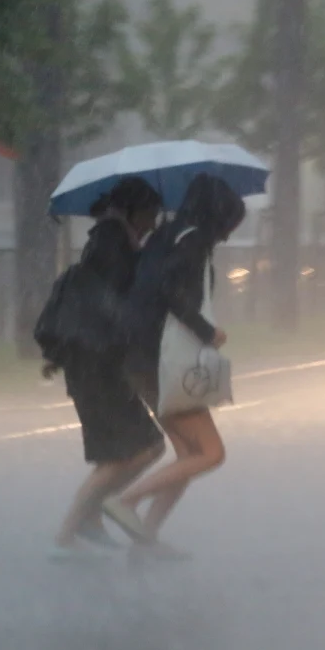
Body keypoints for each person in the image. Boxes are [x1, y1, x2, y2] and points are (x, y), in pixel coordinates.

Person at [102, 174, 245, 556]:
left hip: (137, 355)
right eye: (229, 224)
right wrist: (206, 331)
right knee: (212, 453)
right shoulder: (193, 240)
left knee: (187, 453)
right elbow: (170, 292)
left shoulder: (166, 236)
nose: (227, 235)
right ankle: (125, 502)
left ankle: (145, 539)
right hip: (160, 359)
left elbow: (150, 289)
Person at [47, 177, 165, 560]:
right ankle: (70, 532)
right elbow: (118, 309)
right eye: (150, 213)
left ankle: (90, 520)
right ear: (132, 210)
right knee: (141, 449)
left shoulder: (109, 241)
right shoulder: (114, 247)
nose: (154, 221)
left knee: (129, 452)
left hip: (95, 364)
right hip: (99, 365)